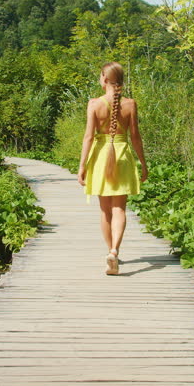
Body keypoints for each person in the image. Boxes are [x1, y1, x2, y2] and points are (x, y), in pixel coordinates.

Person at [77, 62, 148, 275]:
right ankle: (115, 251)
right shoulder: (131, 104)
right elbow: (135, 137)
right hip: (122, 156)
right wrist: (143, 163)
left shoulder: (94, 104)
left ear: (105, 79)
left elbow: (88, 137)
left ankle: (110, 250)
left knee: (105, 210)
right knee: (119, 209)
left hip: (100, 156)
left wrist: (81, 166)